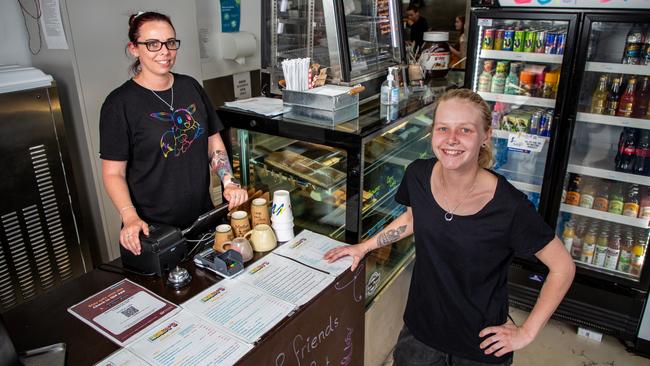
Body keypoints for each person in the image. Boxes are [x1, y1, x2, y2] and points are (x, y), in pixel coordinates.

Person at [325, 89, 575, 365]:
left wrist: (526, 332)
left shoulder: (510, 206)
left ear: (486, 136)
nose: (451, 139)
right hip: (419, 335)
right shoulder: (418, 175)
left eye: (465, 130)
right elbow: (413, 219)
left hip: (479, 347)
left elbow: (562, 267)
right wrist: (365, 247)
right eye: (443, 128)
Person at [100, 11, 248, 255]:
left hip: (203, 219)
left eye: (170, 42)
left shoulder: (190, 86)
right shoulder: (119, 104)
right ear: (134, 49)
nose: (164, 51)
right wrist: (129, 217)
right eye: (152, 44)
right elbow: (113, 173)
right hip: (154, 231)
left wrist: (229, 182)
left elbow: (214, 142)